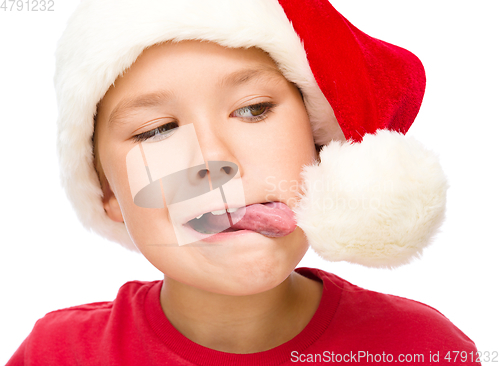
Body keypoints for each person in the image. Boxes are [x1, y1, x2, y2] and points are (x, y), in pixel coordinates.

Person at [7, 0, 479, 364]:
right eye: (156, 131)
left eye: (253, 109)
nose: (214, 159)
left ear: (320, 148)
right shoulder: (59, 354)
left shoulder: (421, 348)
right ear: (107, 192)